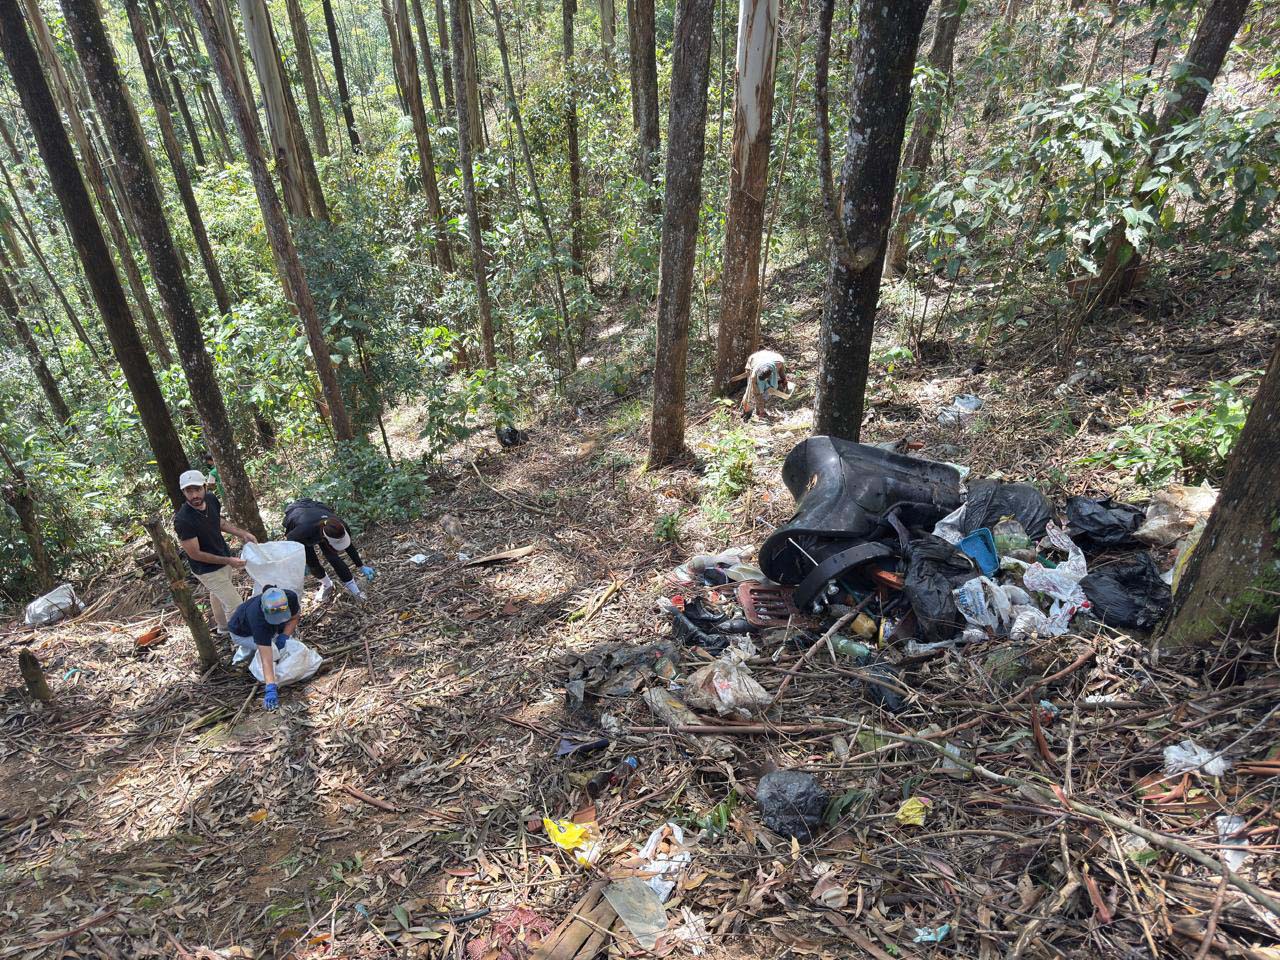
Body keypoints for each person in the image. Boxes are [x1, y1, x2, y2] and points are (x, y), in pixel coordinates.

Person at [174, 469, 257, 638]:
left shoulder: (211, 500)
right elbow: (195, 554)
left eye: (197, 489)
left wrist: (242, 533)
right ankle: (241, 639)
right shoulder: (183, 520)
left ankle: (223, 627)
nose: (194, 495)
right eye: (189, 491)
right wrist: (228, 560)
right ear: (183, 492)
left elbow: (218, 521)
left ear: (205, 487)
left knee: (218, 595)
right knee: (235, 604)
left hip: (222, 555)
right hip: (206, 569)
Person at [283, 497, 375, 602]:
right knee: (312, 562)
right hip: (300, 517)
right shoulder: (302, 530)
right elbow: (290, 540)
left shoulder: (340, 525)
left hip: (316, 510)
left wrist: (361, 566)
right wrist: (300, 561)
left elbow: (349, 547)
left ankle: (355, 591)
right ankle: (327, 584)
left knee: (333, 558)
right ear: (325, 538)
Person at [228, 586, 300, 711]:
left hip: (269, 628)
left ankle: (258, 645)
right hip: (242, 633)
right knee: (271, 649)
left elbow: (294, 617)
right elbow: (267, 659)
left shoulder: (290, 597)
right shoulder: (257, 619)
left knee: (280, 644)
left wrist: (285, 635)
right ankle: (242, 658)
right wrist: (270, 687)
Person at [739, 349, 792, 420]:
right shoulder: (754, 377)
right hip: (754, 360)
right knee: (751, 392)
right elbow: (757, 394)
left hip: (771, 358)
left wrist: (784, 379)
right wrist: (762, 410)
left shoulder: (778, 363)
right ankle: (750, 411)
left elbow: (781, 370)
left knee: (765, 391)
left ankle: (759, 410)